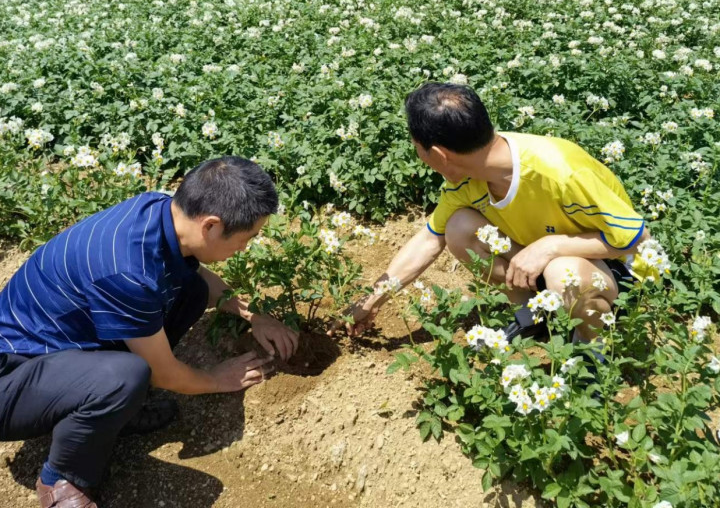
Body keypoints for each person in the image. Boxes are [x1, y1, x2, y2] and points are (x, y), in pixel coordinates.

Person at [0, 156, 298, 508]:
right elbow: (164, 374)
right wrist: (218, 379)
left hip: (55, 356)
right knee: (126, 376)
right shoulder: (127, 272)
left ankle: (112, 408)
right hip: (10, 378)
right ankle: (61, 478)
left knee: (192, 290)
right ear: (211, 225)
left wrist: (254, 315)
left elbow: (198, 275)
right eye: (246, 238)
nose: (244, 248)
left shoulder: (161, 211)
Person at [332, 82, 649, 341]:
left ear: (439, 155)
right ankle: (535, 316)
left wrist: (551, 247)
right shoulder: (466, 179)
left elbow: (638, 239)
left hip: (614, 275)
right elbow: (429, 241)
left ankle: (593, 348)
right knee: (459, 227)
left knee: (562, 271)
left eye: (416, 146)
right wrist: (370, 301)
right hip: (544, 263)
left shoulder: (559, 171)